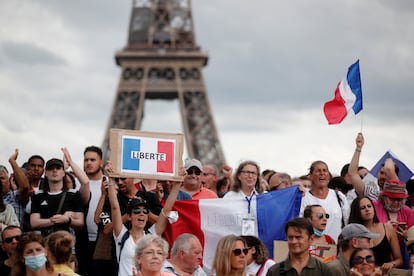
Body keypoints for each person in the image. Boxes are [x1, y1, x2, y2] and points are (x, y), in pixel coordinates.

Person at [106, 161, 182, 276]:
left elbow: (165, 211)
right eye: (136, 211)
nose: (141, 214)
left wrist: (178, 183)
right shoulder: (121, 235)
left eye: (145, 211)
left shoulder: (151, 236)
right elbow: (114, 207)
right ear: (129, 217)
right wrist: (111, 178)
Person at [30, 158, 84, 236]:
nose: (54, 171)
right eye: (51, 168)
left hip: (67, 242)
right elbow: (34, 223)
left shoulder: (74, 194)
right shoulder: (38, 195)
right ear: (45, 173)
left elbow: (80, 223)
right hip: (45, 241)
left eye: (58, 168)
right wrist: (59, 219)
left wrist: (68, 220)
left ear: (63, 172)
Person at [348, 196, 402, 272]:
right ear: (356, 212)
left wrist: (391, 264)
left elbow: (399, 259)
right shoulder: (352, 234)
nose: (367, 209)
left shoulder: (388, 228)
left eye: (369, 206)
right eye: (363, 208)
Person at [300, 160, 349, 242]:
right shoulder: (304, 197)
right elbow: (300, 223)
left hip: (336, 248)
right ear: (311, 176)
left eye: (325, 170)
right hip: (312, 248)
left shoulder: (339, 196)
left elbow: (347, 221)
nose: (322, 173)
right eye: (318, 171)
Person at [266, 217, 332, 275]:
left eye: (298, 237)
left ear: (311, 239)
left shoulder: (323, 271)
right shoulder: (274, 272)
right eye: (290, 237)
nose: (293, 241)